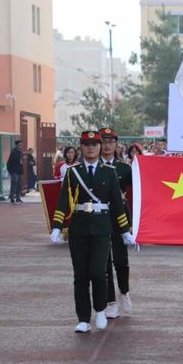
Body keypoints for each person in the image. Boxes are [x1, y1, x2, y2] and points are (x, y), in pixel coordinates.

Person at [49, 130, 135, 333]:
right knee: (80, 276)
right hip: (79, 227)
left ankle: (100, 309)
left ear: (99, 148)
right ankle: (83, 319)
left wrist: (124, 231)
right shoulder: (73, 172)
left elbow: (116, 204)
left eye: (94, 144)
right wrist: (57, 226)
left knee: (98, 272)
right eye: (86, 144)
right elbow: (63, 201)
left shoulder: (109, 172)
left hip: (101, 228)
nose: (91, 147)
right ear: (81, 148)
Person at [99, 128, 134, 319]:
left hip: (119, 217)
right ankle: (110, 301)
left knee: (121, 260)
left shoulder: (124, 168)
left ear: (116, 144)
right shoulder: (93, 167)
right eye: (103, 141)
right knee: (104, 261)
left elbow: (139, 189)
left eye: (110, 141)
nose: (107, 145)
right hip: (99, 217)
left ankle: (124, 292)